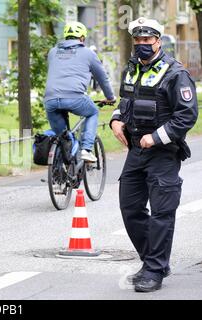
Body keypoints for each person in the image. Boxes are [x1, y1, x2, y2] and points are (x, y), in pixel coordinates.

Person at [110, 17, 198, 292]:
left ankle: (154, 270)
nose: (141, 45)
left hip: (163, 152)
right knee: (130, 208)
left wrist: (155, 137)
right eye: (137, 40)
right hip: (136, 150)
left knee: (162, 212)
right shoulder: (132, 68)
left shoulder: (175, 73)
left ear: (158, 41)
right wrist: (115, 120)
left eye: (147, 40)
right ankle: (154, 261)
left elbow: (187, 115)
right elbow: (124, 101)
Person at [44, 21, 116, 162]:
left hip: (50, 99)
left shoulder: (53, 52)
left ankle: (61, 172)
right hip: (74, 97)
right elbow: (102, 78)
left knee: (63, 138)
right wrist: (110, 97)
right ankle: (86, 149)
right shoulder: (88, 53)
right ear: (82, 38)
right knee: (92, 112)